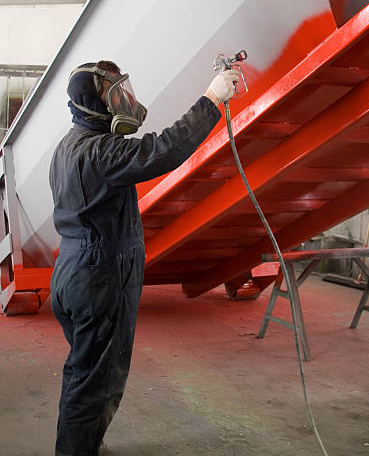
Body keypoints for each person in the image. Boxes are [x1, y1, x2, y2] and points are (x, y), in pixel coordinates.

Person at [49, 60, 239, 456]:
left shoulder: (69, 145)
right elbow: (164, 150)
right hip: (99, 276)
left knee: (86, 374)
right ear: (93, 105)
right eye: (114, 95)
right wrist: (212, 99)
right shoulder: (101, 152)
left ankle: (84, 446)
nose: (124, 101)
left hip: (73, 271)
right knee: (94, 383)